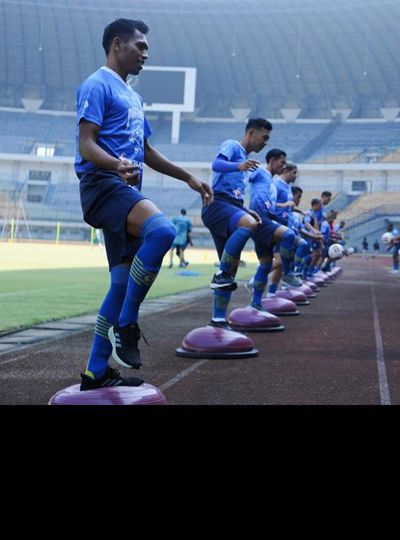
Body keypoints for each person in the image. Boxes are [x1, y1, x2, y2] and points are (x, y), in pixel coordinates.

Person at [75, 18, 213, 390]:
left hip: (122, 188)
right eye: (140, 46)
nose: (146, 54)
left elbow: (147, 151)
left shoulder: (134, 97)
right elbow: (85, 142)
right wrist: (114, 164)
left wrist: (188, 177)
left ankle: (96, 371)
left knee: (119, 284)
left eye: (147, 48)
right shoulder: (96, 84)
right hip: (103, 185)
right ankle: (127, 323)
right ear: (117, 44)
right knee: (163, 230)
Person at [202, 118, 300, 329]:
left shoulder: (247, 162)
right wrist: (239, 165)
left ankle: (218, 318)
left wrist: (246, 209)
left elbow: (235, 196)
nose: (266, 142)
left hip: (231, 207)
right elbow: (216, 164)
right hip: (217, 205)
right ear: (251, 134)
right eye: (264, 137)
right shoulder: (233, 146)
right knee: (247, 225)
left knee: (231, 265)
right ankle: (222, 275)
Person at [245, 148, 301, 309]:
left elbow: (271, 204)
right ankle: (288, 273)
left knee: (265, 264)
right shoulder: (260, 173)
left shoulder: (272, 182)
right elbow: (244, 178)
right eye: (282, 162)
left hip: (267, 221)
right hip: (261, 221)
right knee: (289, 235)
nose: (283, 166)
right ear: (272, 161)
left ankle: (256, 303)